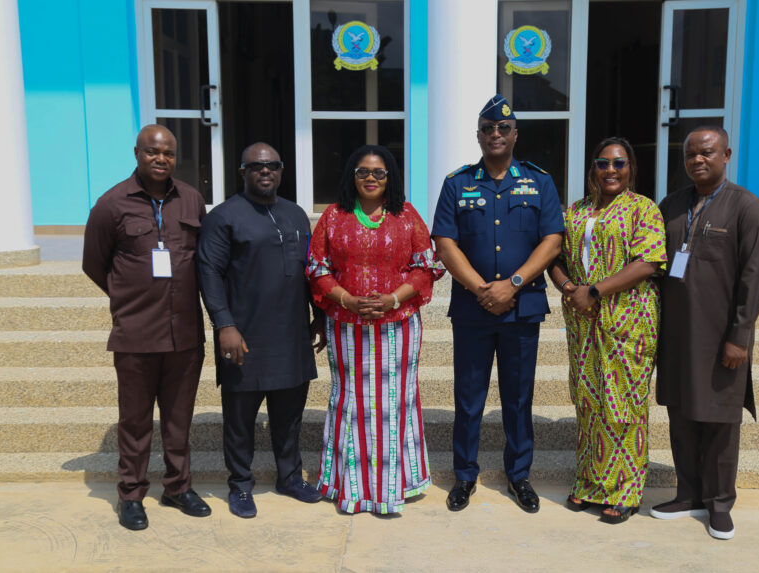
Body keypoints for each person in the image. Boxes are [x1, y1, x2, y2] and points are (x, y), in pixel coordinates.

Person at [431, 95, 564, 513]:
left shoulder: (539, 181)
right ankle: (465, 476)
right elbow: (445, 243)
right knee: (468, 397)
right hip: (473, 311)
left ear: (515, 134)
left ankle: (518, 475)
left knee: (518, 397)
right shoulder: (458, 183)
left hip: (522, 308)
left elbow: (552, 240)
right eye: (488, 128)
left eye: (503, 128)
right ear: (478, 135)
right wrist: (482, 289)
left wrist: (514, 283)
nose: (495, 134)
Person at [82, 124, 211, 530]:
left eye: (169, 153)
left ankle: (177, 487)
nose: (161, 159)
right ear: (136, 153)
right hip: (136, 333)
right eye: (153, 152)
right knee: (135, 420)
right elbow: (94, 264)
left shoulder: (190, 199)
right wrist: (127, 296)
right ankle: (132, 494)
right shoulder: (111, 204)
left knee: (178, 418)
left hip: (185, 334)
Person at [307, 144, 444, 515]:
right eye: (363, 172)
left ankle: (395, 484)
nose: (370, 178)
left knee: (393, 402)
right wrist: (346, 299)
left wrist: (393, 299)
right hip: (345, 325)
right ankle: (347, 485)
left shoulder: (406, 216)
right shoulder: (333, 217)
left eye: (379, 173)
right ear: (352, 176)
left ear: (390, 178)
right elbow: (316, 267)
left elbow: (427, 265)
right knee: (349, 399)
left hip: (397, 326)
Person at [652, 126, 759, 540]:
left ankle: (720, 504)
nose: (698, 160)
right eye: (690, 155)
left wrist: (740, 336)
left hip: (722, 339)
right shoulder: (671, 205)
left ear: (726, 154)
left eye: (707, 153)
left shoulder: (747, 209)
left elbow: (754, 278)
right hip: (676, 337)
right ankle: (689, 494)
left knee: (720, 423)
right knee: (681, 417)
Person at [197, 142, 326, 518]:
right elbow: (209, 273)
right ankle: (239, 485)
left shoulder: (297, 215)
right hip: (244, 337)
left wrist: (318, 315)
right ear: (243, 172)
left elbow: (309, 272)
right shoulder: (223, 217)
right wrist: (224, 324)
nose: (265, 171)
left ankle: (289, 477)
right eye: (256, 166)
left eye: (272, 165)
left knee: (289, 416)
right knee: (239, 420)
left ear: (281, 170)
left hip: (290, 335)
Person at [548, 137, 667, 524]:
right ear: (593, 169)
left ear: (631, 167)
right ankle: (590, 483)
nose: (611, 170)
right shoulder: (576, 211)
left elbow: (648, 262)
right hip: (583, 321)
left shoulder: (643, 209)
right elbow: (556, 258)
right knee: (588, 399)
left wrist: (595, 290)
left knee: (624, 402)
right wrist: (570, 288)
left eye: (619, 163)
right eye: (603, 163)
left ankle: (625, 491)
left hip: (628, 321)